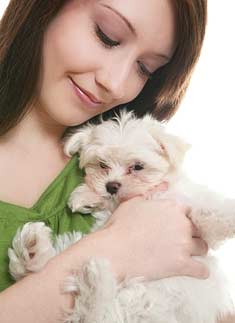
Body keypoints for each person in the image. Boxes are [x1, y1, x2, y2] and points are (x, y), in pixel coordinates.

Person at [0, 0, 230, 322]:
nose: (116, 83)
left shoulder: (135, 163)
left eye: (145, 68)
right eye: (107, 36)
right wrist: (117, 250)